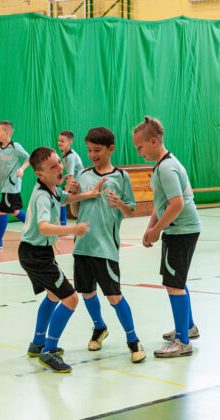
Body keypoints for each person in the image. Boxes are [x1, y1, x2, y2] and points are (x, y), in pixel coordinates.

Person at [20, 146, 104, 373]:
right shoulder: (42, 196)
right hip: (36, 255)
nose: (59, 168)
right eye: (52, 166)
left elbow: (66, 198)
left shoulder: (52, 189)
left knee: (53, 295)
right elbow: (44, 227)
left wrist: (90, 194)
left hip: (36, 253)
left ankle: (38, 344)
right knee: (71, 299)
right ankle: (49, 351)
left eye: (59, 162)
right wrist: (72, 229)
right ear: (39, 174)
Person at [70, 127, 146, 363]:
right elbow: (75, 212)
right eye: (89, 150)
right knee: (87, 292)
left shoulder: (121, 177)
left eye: (97, 150)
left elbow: (130, 211)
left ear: (110, 149)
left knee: (114, 296)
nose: (92, 154)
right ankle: (99, 327)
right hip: (82, 246)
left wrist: (120, 204)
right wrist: (73, 196)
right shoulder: (83, 175)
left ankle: (133, 340)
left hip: (106, 248)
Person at [132, 117, 201, 358]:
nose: (138, 152)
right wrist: (150, 227)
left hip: (181, 231)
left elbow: (176, 204)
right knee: (177, 281)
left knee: (174, 284)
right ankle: (188, 328)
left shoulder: (166, 167)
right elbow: (161, 201)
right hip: (180, 230)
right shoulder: (162, 164)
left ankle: (182, 342)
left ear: (153, 142)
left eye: (140, 147)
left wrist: (157, 230)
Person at [0, 121, 30, 249]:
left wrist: (21, 169)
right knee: (14, 211)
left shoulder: (15, 147)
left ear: (7, 133)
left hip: (12, 184)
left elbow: (28, 158)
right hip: (4, 185)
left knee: (3, 211)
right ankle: (36, 228)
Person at [57, 130, 83, 226]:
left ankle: (63, 227)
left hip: (78, 184)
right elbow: (73, 171)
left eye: (62, 141)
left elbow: (72, 175)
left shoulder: (71, 156)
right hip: (74, 181)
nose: (59, 143)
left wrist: (65, 192)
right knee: (67, 205)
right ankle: (63, 226)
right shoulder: (63, 153)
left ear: (70, 143)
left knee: (64, 203)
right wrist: (66, 176)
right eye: (59, 140)